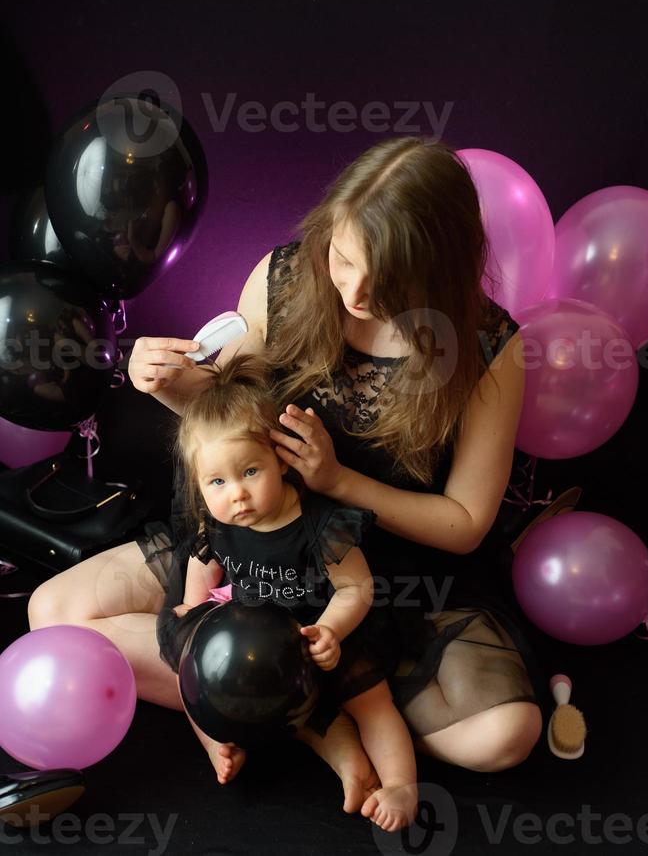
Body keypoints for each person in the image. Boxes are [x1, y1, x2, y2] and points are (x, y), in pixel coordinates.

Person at [28, 136, 547, 817]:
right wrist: (165, 386)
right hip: (257, 533)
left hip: (373, 576)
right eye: (342, 257)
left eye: (383, 279)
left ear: (437, 269)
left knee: (505, 735)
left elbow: (465, 525)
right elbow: (230, 428)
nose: (353, 291)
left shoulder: (488, 347)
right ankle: (310, 722)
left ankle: (255, 697)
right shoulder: (284, 279)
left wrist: (338, 482)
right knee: (52, 615)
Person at [161, 351, 417, 830]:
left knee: (372, 702)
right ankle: (218, 740)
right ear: (199, 485)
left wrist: (331, 631)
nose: (235, 494)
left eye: (249, 472)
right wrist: (194, 620)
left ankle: (402, 786)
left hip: (318, 637)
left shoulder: (320, 524)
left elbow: (357, 588)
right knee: (187, 666)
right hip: (254, 646)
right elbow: (201, 581)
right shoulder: (213, 525)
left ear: (280, 462)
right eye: (217, 481)